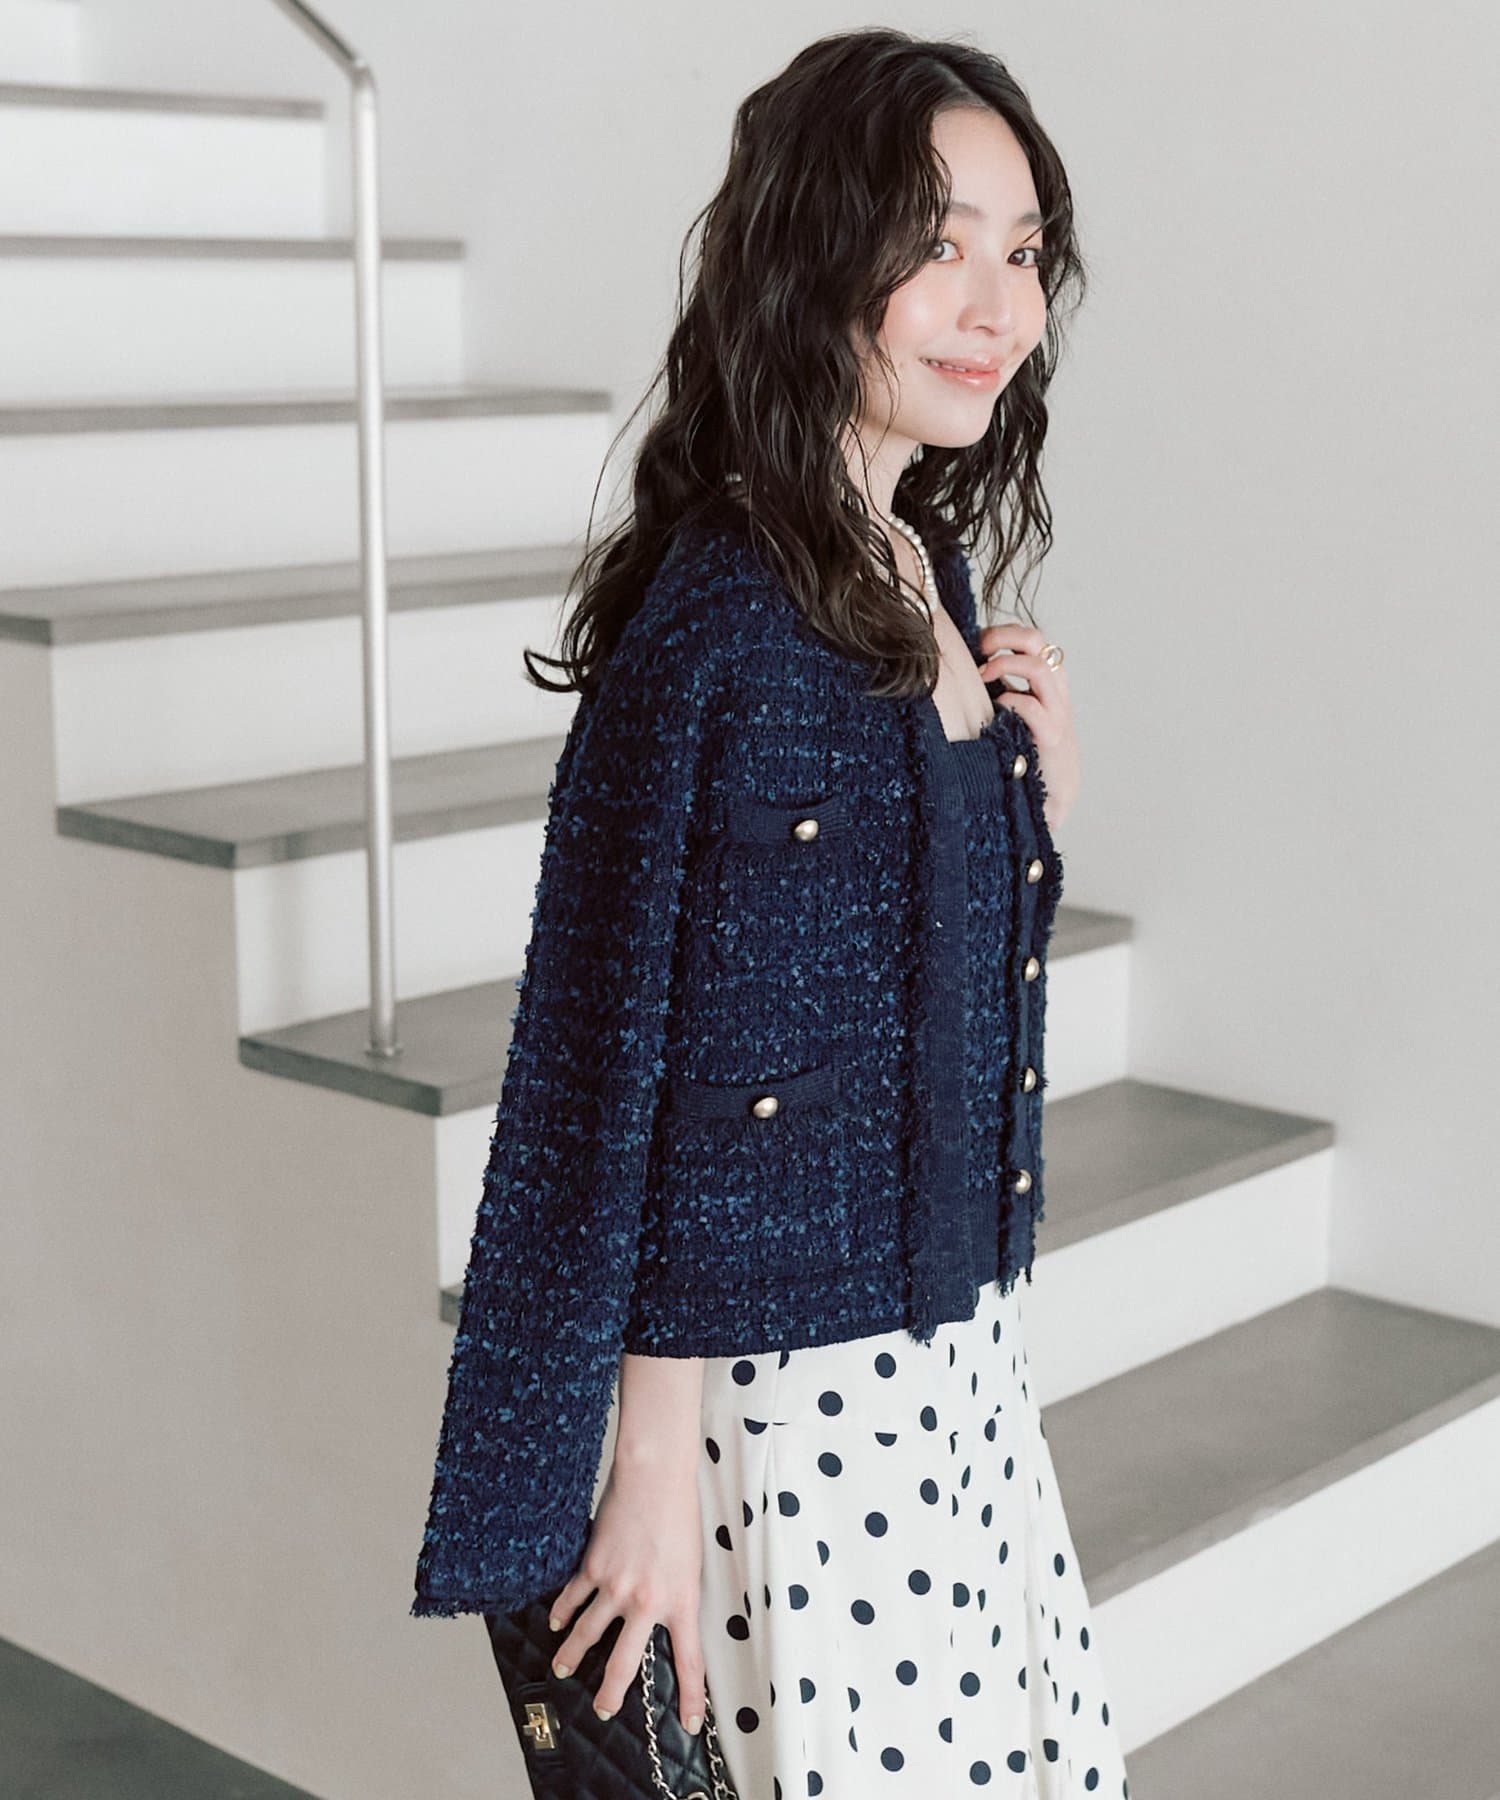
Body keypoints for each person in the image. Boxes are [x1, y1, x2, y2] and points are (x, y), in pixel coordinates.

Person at [413, 25, 1131, 1797]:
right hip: (798, 1402)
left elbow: (894, 999)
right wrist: (650, 1467)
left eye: (1022, 251)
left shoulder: (916, 562)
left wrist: (1028, 801)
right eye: (937, 243)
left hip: (949, 1359)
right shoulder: (737, 615)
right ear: (816, 260)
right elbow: (668, 1080)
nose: (998, 304)